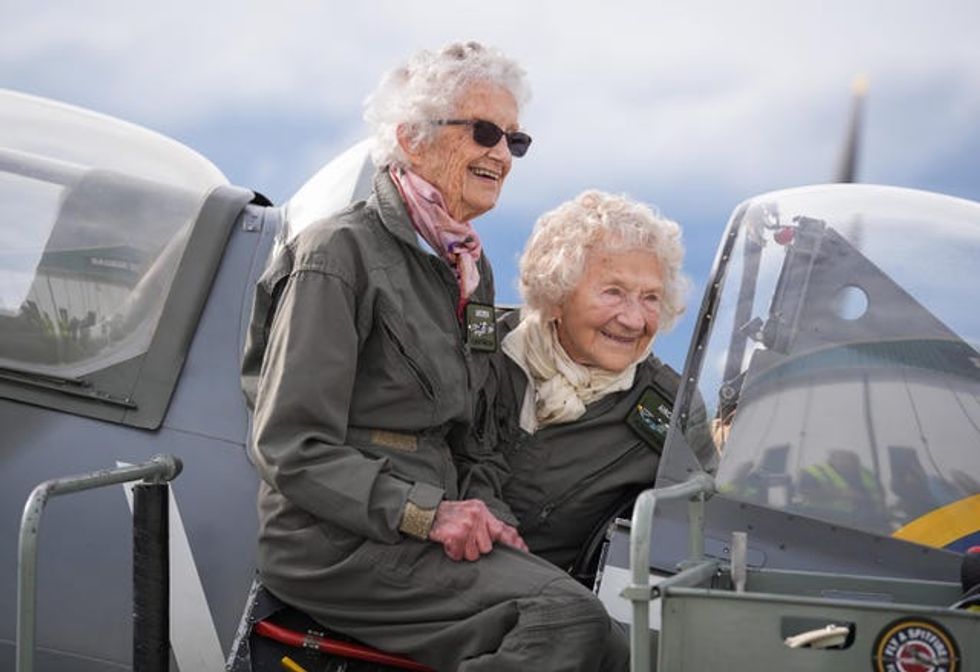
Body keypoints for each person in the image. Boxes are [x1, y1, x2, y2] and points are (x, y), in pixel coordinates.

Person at [241, 43, 628, 672]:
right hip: (334, 540)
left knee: (613, 643)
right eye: (483, 132)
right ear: (412, 140)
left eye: (514, 140)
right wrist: (426, 513)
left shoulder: (469, 270)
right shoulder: (338, 255)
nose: (501, 154)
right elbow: (290, 444)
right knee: (562, 619)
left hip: (421, 526)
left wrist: (491, 518)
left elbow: (470, 438)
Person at [463, 190, 695, 576]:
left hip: (533, 603)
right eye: (614, 292)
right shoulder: (475, 347)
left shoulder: (671, 410)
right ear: (555, 293)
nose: (635, 320)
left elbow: (706, 531)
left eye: (651, 297)